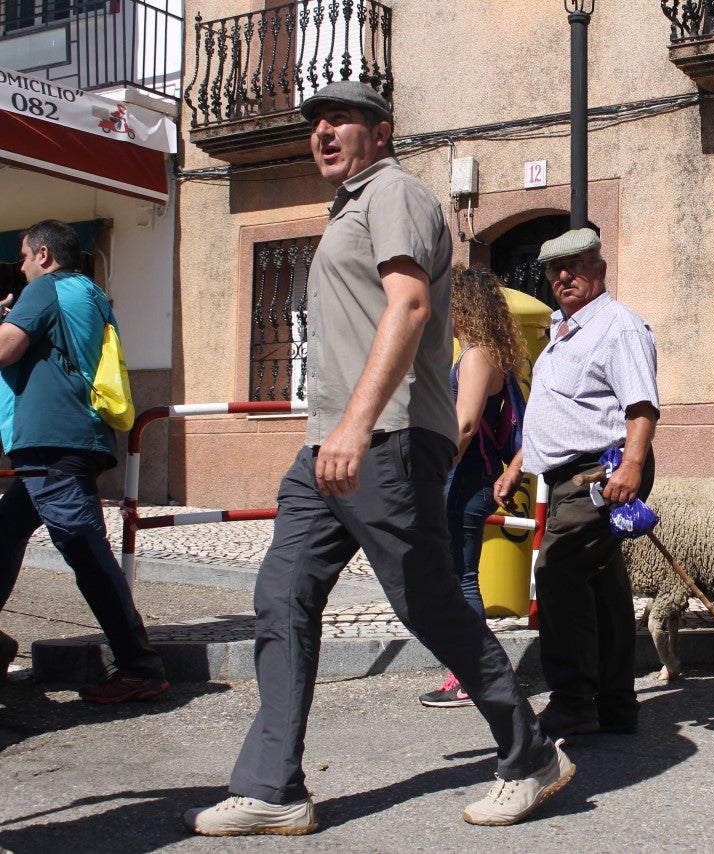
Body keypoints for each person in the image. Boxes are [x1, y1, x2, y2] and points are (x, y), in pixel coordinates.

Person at [182, 82, 571, 836]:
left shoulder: (395, 193)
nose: (322, 131)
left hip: (382, 438)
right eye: (314, 122)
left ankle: (530, 757)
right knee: (282, 594)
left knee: (425, 602)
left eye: (341, 120)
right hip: (328, 446)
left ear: (382, 131)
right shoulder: (349, 208)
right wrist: (335, 432)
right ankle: (273, 787)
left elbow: (411, 306)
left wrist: (357, 428)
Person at [494, 227, 659, 739]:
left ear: (599, 269)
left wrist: (631, 467)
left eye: (576, 266)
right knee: (602, 587)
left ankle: (572, 702)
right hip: (573, 470)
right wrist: (518, 463)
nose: (563, 277)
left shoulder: (618, 326)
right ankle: (614, 704)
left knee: (559, 572)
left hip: (602, 470)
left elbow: (641, 406)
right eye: (554, 270)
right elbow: (558, 410)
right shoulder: (563, 332)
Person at [0, 220, 168, 703]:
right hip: (71, 440)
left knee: (86, 552)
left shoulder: (45, 288)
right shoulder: (91, 294)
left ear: (46, 255)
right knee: (3, 534)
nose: (22, 265)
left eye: (25, 255)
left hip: (53, 445)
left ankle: (139, 666)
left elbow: (7, 347)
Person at [419, 266, 526, 708]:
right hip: (469, 478)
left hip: (465, 480)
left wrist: (437, 473)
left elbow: (463, 425)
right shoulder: (485, 352)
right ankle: (468, 673)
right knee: (457, 577)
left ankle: (474, 679)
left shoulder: (479, 355)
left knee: (462, 580)